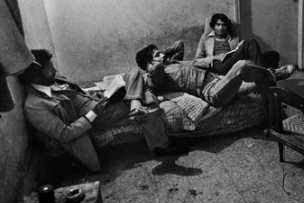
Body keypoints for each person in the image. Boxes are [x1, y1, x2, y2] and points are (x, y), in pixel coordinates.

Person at [20, 49, 189, 172]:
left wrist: (99, 92)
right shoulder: (34, 105)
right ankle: (160, 144)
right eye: (50, 69)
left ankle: (135, 104)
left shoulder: (50, 81)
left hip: (100, 100)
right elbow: (64, 134)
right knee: (148, 96)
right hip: (96, 117)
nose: (55, 71)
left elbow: (76, 95)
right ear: (36, 76)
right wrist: (94, 113)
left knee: (132, 72)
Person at [136, 43, 275, 108]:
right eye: (157, 54)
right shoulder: (154, 78)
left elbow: (179, 45)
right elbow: (157, 68)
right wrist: (149, 65)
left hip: (219, 81)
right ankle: (272, 73)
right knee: (242, 65)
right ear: (150, 62)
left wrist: (163, 53)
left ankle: (272, 102)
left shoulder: (171, 63)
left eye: (161, 52)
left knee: (254, 68)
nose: (162, 55)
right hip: (212, 93)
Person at [194, 13, 295, 81]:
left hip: (234, 62)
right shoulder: (206, 38)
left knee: (273, 55)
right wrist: (216, 57)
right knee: (250, 42)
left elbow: (239, 54)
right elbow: (196, 61)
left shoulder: (233, 36)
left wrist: (239, 47)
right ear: (213, 26)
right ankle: (268, 76)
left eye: (224, 25)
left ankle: (267, 74)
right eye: (218, 25)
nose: (221, 28)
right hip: (220, 67)